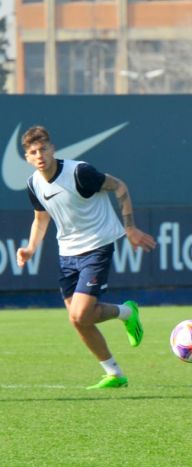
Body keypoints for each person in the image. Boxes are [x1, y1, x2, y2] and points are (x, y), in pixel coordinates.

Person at [17, 125, 157, 389]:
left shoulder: (79, 172)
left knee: (80, 315)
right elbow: (40, 218)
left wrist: (129, 228)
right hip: (67, 254)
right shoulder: (33, 184)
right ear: (27, 158)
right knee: (79, 320)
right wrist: (30, 248)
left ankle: (127, 314)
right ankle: (115, 372)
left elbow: (120, 187)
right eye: (33, 152)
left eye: (43, 149)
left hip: (97, 247)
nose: (39, 155)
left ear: (52, 148)